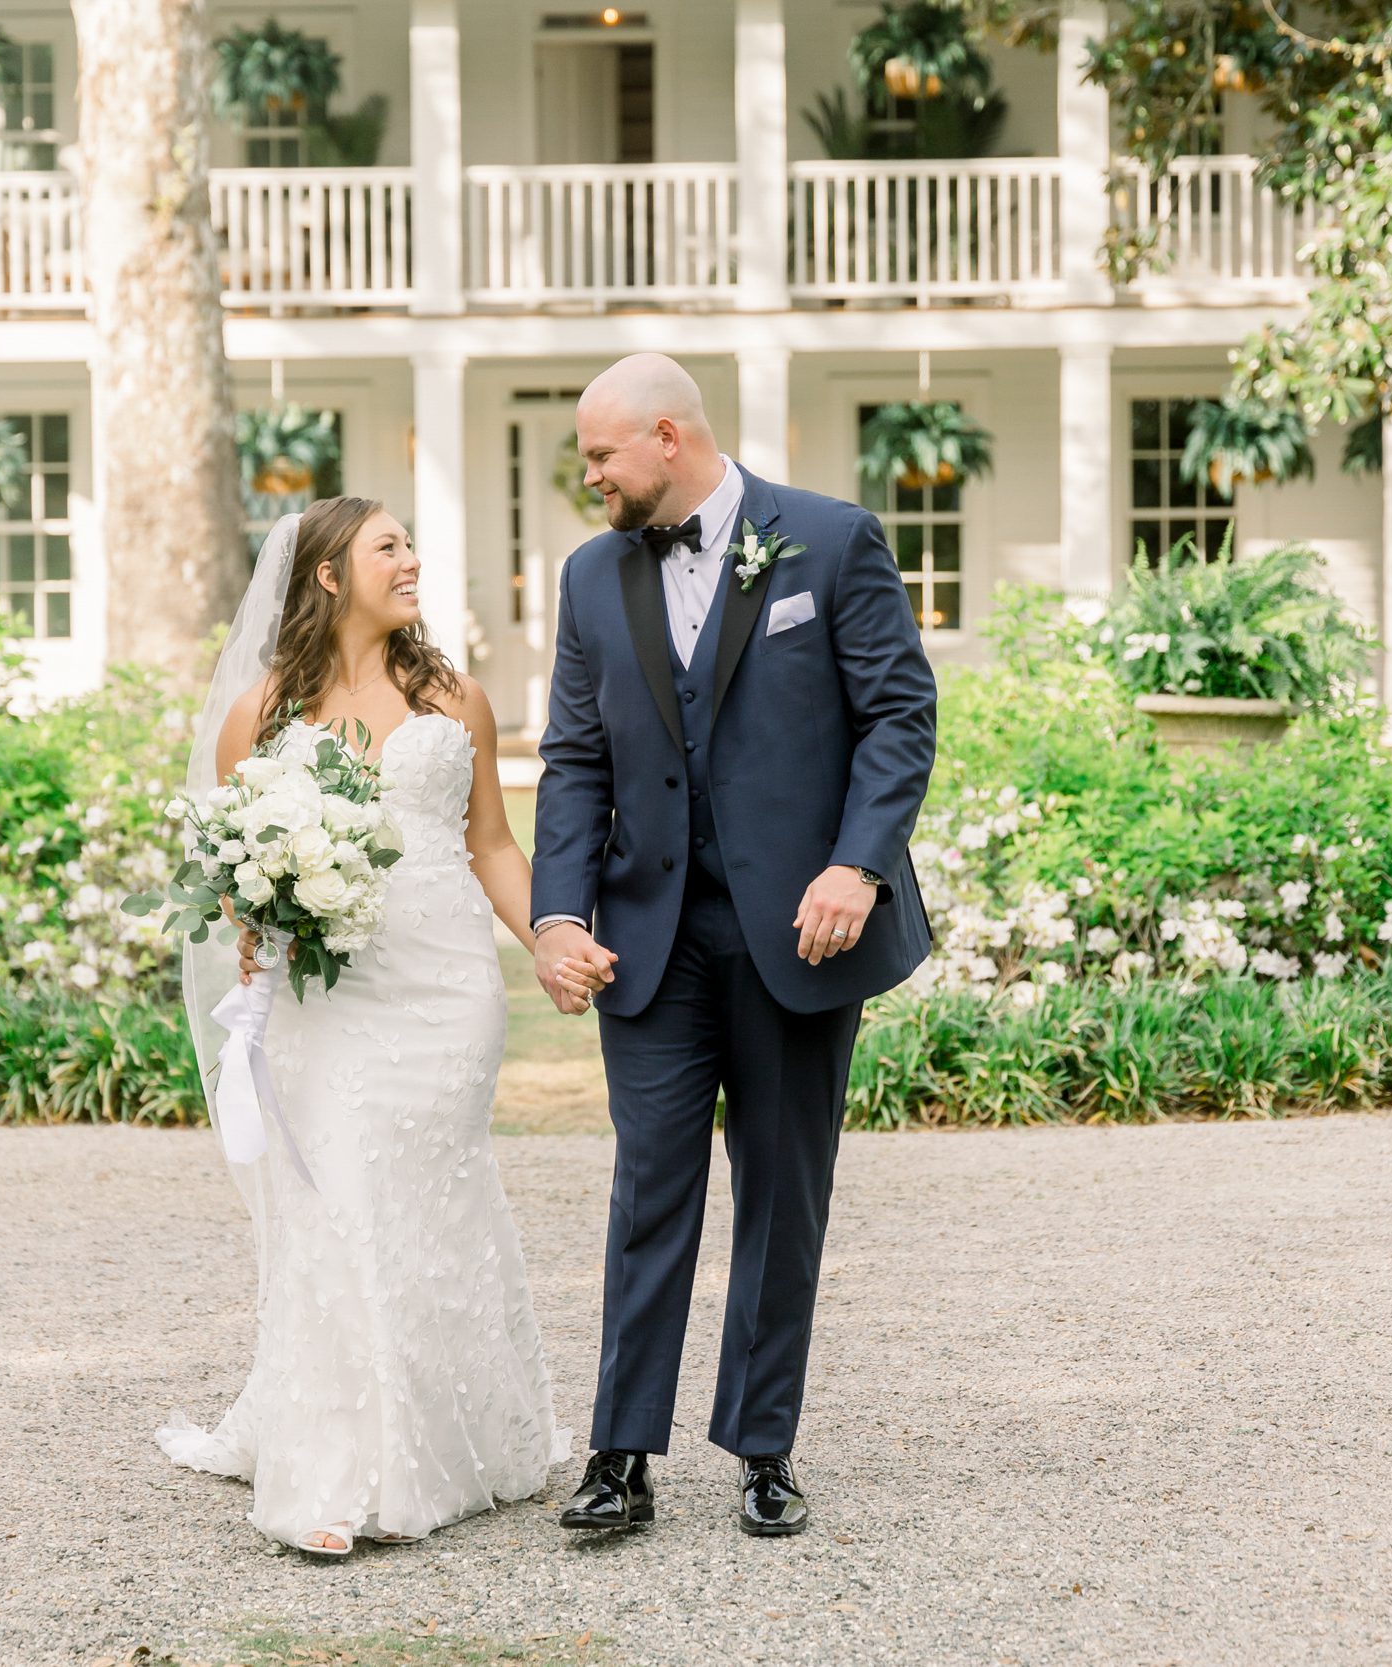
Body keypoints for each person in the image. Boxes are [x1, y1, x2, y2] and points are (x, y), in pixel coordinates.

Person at [530, 354, 938, 1538]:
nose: (591, 476)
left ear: (668, 435)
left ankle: (764, 1448)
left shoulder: (830, 539)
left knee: (781, 1190)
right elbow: (573, 760)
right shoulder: (591, 576)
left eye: (602, 455)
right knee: (649, 1185)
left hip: (800, 935)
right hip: (646, 940)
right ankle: (621, 1452)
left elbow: (898, 716)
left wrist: (855, 866)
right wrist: (561, 915)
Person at [156, 497, 596, 1557]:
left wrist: (543, 933)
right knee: (340, 1192)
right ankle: (338, 1466)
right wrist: (256, 918)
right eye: (386, 546)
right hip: (328, 991)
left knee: (429, 1193)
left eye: (409, 544)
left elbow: (490, 841)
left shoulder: (456, 697)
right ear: (325, 575)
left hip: (445, 986)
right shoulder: (259, 711)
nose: (410, 561)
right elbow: (231, 858)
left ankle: (457, 1434)